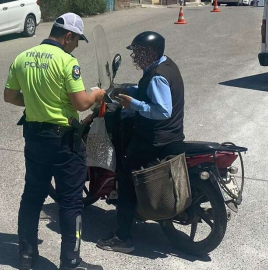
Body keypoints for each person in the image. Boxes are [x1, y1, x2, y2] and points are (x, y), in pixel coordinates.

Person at [4, 13, 105, 270]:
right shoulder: (67, 62)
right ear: (68, 36)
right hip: (63, 143)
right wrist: (97, 94)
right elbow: (81, 103)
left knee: (32, 195)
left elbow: (10, 96)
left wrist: (38, 102)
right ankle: (70, 261)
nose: (77, 46)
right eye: (77, 40)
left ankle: (26, 256)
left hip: (35, 138)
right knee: (71, 201)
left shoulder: (22, 57)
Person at [96, 31, 186, 253]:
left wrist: (132, 104)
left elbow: (162, 110)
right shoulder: (166, 66)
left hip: (154, 139)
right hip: (172, 136)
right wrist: (128, 90)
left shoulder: (157, 76)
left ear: (150, 53)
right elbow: (151, 94)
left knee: (126, 176)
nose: (135, 57)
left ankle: (123, 238)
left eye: (138, 52)